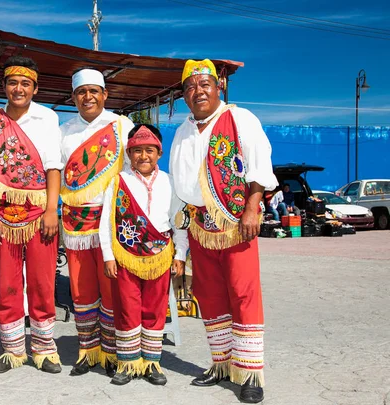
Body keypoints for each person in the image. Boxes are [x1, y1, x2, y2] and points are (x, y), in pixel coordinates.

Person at [169, 59, 277, 403]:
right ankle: (221, 364)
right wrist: (180, 248)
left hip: (235, 224)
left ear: (219, 87)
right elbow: (178, 189)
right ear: (184, 95)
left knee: (243, 293)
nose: (197, 92)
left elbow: (260, 166)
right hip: (200, 226)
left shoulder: (240, 119)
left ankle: (250, 373)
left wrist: (251, 208)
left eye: (204, 85)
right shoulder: (183, 131)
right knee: (211, 296)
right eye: (190, 87)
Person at [0, 56, 63, 374]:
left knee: (43, 283)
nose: (19, 89)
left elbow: (53, 166)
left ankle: (45, 350)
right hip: (3, 216)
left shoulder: (47, 118)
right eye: (13, 82)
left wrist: (52, 210)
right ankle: (12, 351)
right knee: (7, 282)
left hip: (41, 213)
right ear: (5, 87)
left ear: (35, 88)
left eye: (25, 83)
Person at [60, 67, 135, 376]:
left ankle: (112, 352)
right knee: (81, 289)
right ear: (74, 96)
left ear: (105, 94)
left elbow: (133, 170)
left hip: (110, 222)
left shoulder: (122, 125)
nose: (87, 97)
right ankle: (87, 351)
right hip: (75, 222)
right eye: (81, 92)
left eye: (93, 91)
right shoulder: (64, 130)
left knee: (111, 287)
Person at [99, 124, 188, 386]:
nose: (143, 156)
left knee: (155, 309)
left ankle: (151, 363)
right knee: (127, 307)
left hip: (160, 255)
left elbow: (179, 221)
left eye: (149, 150)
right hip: (125, 255)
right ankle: (127, 363)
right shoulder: (118, 182)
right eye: (137, 151)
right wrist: (107, 255)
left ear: (158, 153)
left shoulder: (169, 182)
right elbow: (107, 221)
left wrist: (180, 254)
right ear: (130, 154)